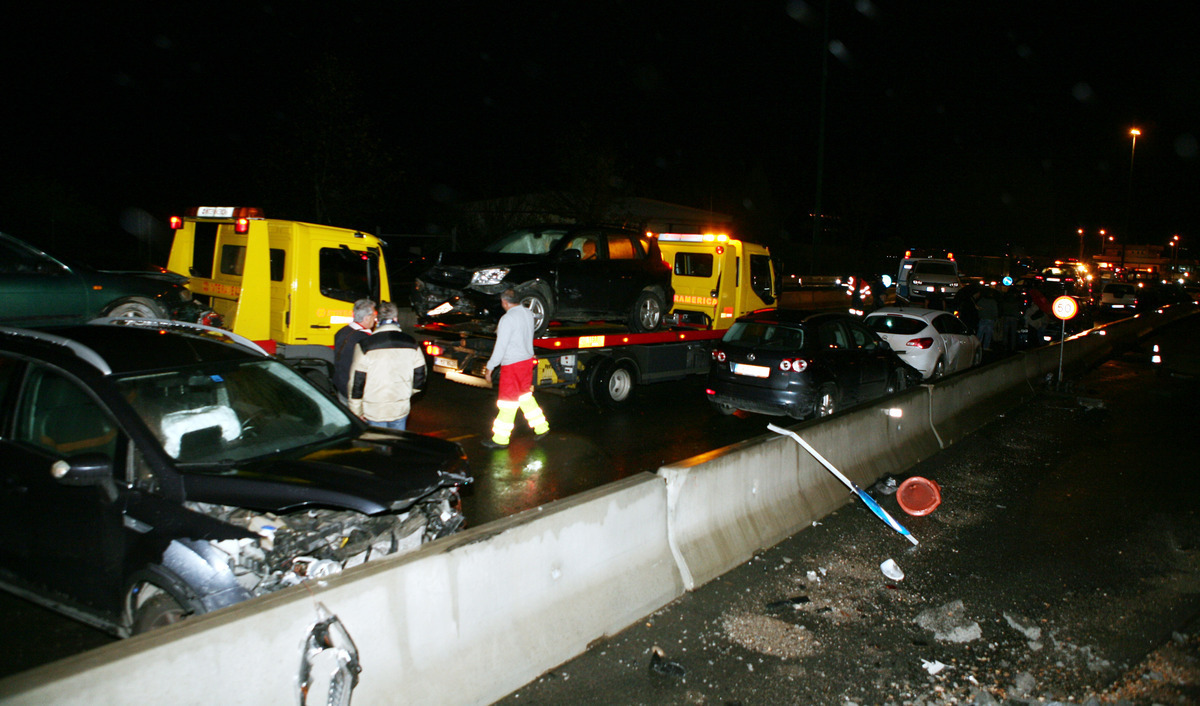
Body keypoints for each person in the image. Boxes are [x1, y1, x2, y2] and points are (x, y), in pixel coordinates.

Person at [482, 289, 549, 448]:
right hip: (526, 362)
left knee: (507, 402)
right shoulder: (527, 314)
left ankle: (500, 439)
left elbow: (501, 346)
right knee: (524, 396)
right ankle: (541, 427)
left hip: (512, 365)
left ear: (504, 302)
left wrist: (490, 367)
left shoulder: (507, 319)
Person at [347, 302, 425, 430]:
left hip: (374, 410)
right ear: (396, 319)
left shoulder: (364, 345)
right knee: (397, 445)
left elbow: (357, 381)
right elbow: (420, 378)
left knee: (378, 446)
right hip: (400, 408)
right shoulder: (412, 343)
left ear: (377, 320)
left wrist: (356, 411)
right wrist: (406, 393)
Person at [334, 298, 376, 405]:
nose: (375, 319)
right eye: (374, 315)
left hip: (341, 387)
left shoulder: (341, 332)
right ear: (367, 318)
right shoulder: (365, 340)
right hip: (356, 394)